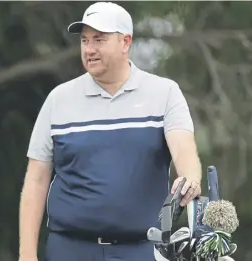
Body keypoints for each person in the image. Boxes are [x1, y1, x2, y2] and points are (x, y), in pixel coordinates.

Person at [18, 2, 202, 261]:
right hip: (70, 249)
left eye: (99, 40)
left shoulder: (164, 93)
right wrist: (27, 254)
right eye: (84, 40)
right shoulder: (58, 99)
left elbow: (184, 149)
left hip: (142, 249)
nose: (89, 49)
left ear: (125, 42)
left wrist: (190, 178)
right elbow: (36, 180)